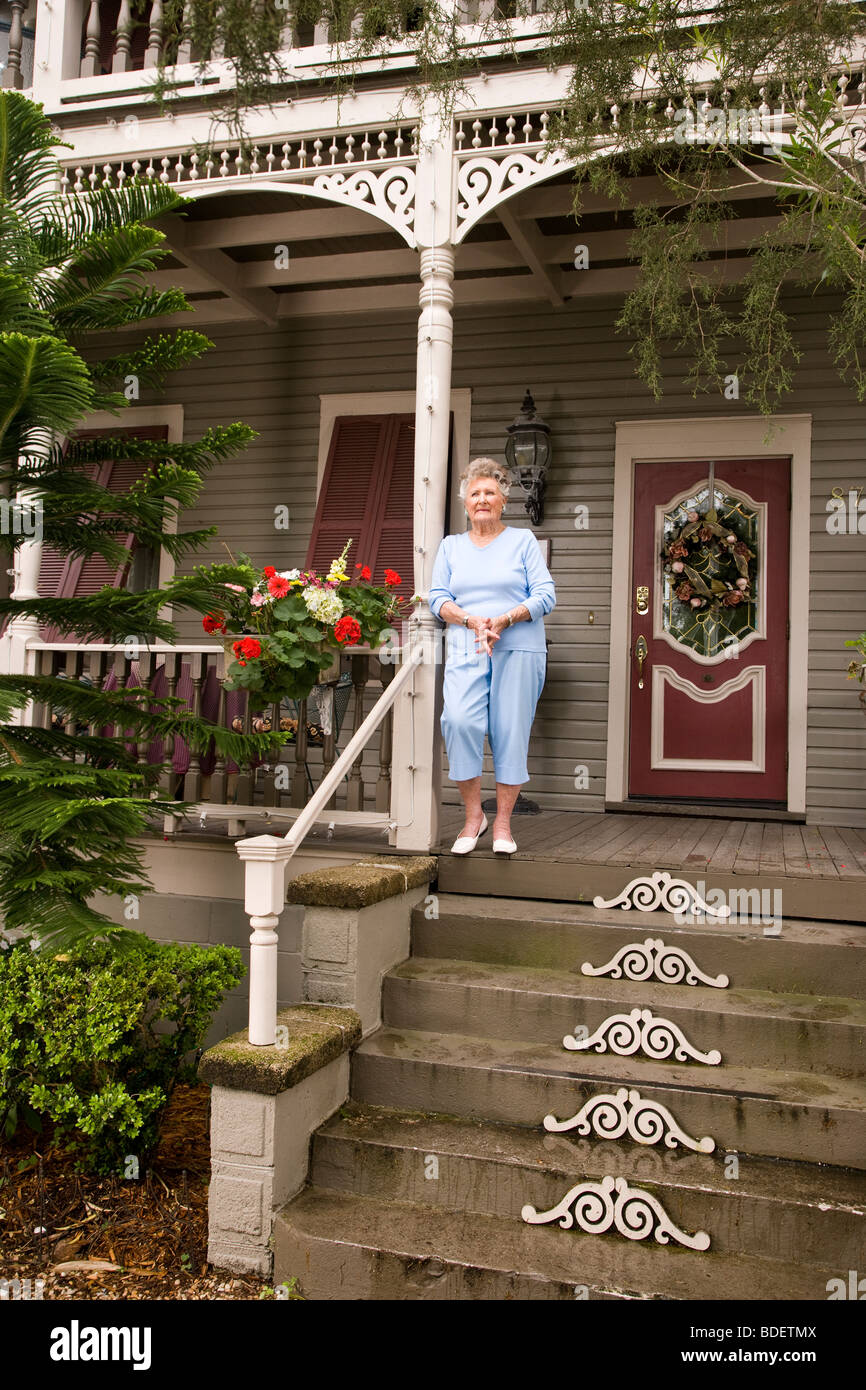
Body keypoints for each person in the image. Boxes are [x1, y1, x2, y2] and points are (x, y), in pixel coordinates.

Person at [428, 457, 556, 855]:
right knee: (459, 721)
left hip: (517, 646)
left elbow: (545, 595)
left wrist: (504, 618)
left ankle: (502, 823)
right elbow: (437, 599)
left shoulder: (522, 543)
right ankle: (473, 817)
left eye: (489, 492)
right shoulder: (450, 547)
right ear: (465, 502)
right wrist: (470, 621)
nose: (481, 499)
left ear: (503, 500)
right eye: (474, 493)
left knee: (509, 731)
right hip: (468, 643)